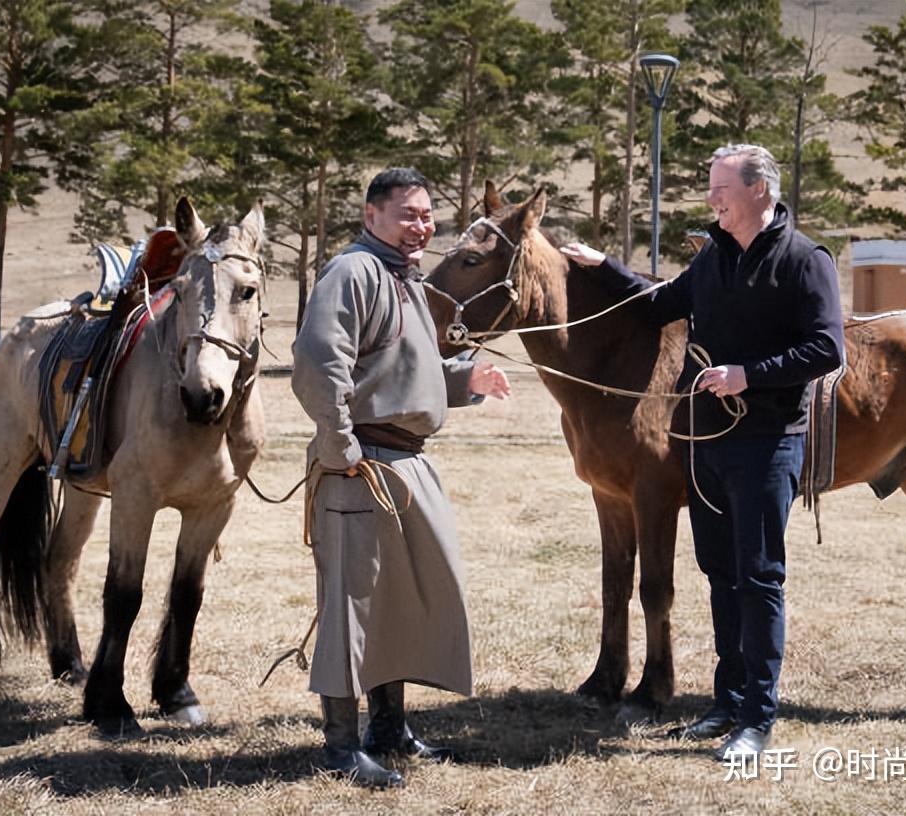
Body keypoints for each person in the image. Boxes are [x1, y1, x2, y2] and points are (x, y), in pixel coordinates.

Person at [560, 145, 844, 760]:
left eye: (721, 188)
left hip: (768, 444)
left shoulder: (804, 260)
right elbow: (657, 302)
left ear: (759, 192)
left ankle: (757, 719)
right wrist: (602, 266)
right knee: (719, 576)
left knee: (759, 579)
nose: (711, 197)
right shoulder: (715, 255)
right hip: (706, 445)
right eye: (709, 185)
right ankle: (725, 702)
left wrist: (749, 374)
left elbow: (827, 350)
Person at [291, 167, 511, 788]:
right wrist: (339, 450)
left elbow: (406, 368)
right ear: (372, 217)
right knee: (352, 605)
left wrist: (465, 381)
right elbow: (317, 366)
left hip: (406, 465)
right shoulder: (353, 273)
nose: (422, 225)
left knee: (403, 598)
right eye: (408, 214)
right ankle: (339, 746)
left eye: (426, 214)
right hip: (360, 466)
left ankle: (388, 728)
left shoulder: (403, 279)